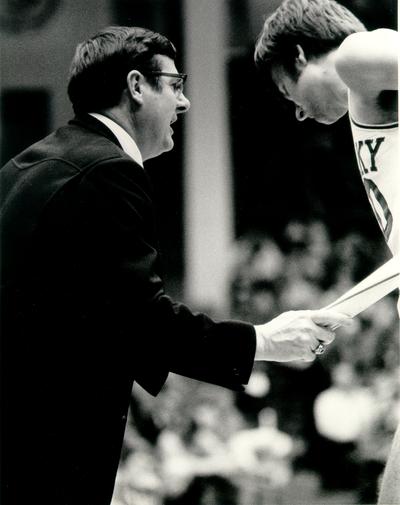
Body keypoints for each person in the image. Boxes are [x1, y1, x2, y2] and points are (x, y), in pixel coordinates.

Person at [0, 26, 348, 505]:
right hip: (47, 443)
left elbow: (98, 317)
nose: (185, 104)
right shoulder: (109, 171)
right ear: (137, 86)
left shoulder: (27, 165)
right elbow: (143, 322)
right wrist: (265, 341)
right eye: (176, 85)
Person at [254, 1, 399, 503]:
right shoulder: (370, 98)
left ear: (299, 56)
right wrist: (333, 313)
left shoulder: (355, 56)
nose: (296, 109)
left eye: (284, 89)